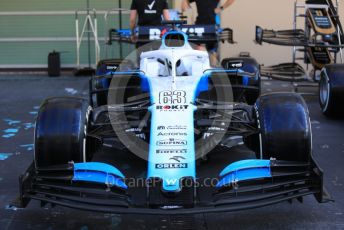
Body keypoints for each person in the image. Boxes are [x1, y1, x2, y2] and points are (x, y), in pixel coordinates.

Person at [181, 0, 235, 65]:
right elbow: (184, 5)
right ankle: (201, 70)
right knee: (198, 49)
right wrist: (187, 7)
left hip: (212, 24)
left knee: (212, 51)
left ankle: (212, 72)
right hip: (200, 24)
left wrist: (220, 8)